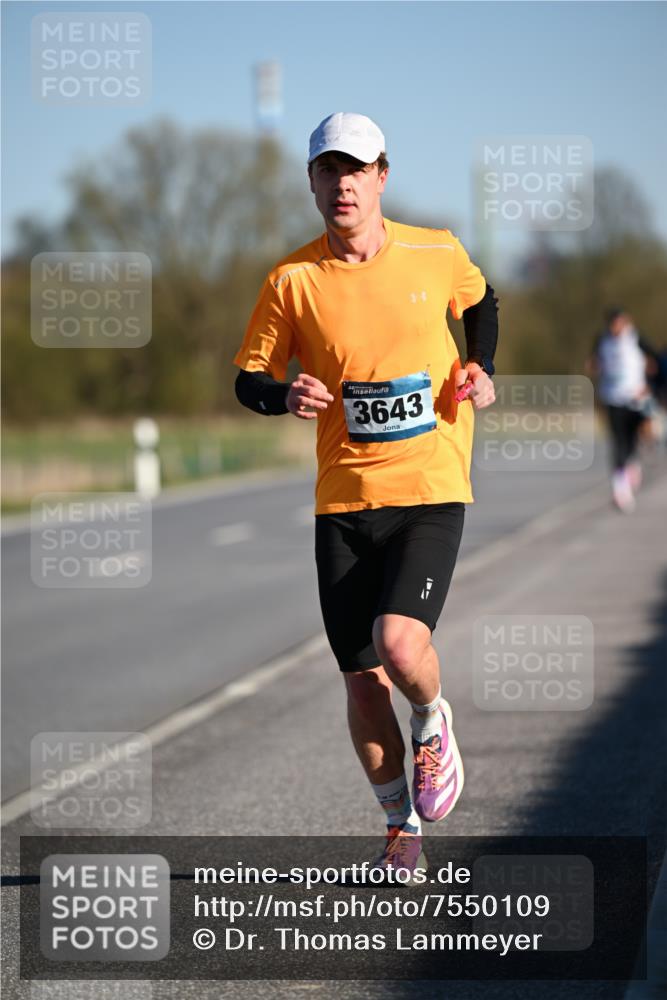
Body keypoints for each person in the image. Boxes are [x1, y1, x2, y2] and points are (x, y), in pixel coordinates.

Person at [233, 112, 498, 876]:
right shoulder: (291, 280)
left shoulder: (434, 251)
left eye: (355, 169)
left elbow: (482, 301)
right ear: (311, 182)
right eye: (328, 170)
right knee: (359, 680)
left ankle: (432, 718)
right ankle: (398, 828)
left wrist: (479, 366)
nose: (341, 184)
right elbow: (248, 379)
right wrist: (282, 395)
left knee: (398, 644)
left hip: (428, 486)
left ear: (381, 176)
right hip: (342, 501)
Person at [588, 308, 657, 513]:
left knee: (635, 437)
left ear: (625, 322)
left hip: (637, 399)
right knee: (618, 442)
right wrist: (594, 366)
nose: (616, 328)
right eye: (613, 324)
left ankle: (632, 464)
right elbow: (593, 362)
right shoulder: (602, 340)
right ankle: (620, 489)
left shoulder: (636, 338)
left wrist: (650, 384)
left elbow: (655, 361)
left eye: (619, 323)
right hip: (613, 398)